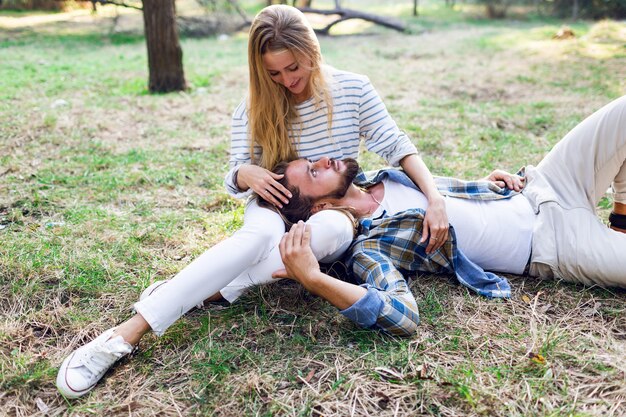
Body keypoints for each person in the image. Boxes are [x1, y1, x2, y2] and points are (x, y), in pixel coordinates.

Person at [56, 5, 448, 399]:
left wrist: (435, 199)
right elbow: (234, 174)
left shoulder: (353, 88)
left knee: (322, 233)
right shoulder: (255, 106)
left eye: (293, 67)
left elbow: (398, 146)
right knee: (257, 239)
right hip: (273, 202)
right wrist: (246, 174)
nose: (287, 81)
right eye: (274, 73)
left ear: (311, 51)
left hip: (336, 210)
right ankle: (124, 336)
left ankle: (192, 290)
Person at [262, 95, 626, 336]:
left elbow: (447, 198)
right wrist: (313, 279)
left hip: (542, 185)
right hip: (553, 244)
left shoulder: (382, 176)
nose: (324, 160)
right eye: (313, 173)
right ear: (321, 208)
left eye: (312, 161)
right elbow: (402, 316)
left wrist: (481, 186)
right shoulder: (368, 249)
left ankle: (621, 224)